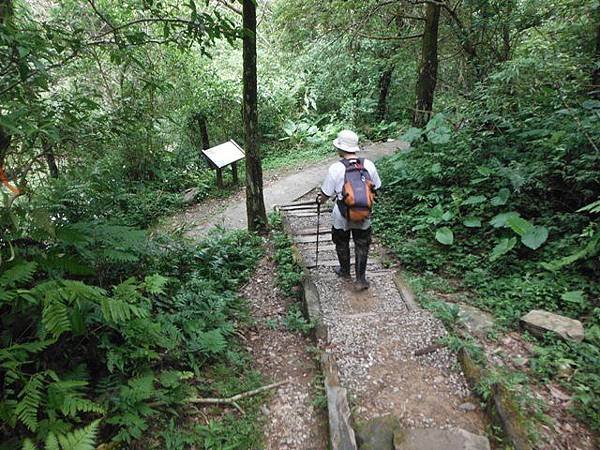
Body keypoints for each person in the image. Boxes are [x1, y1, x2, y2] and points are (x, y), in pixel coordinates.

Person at [317, 129, 381, 291]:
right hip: (363, 213)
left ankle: (345, 271)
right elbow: (377, 187)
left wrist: (320, 201)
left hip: (342, 214)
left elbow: (325, 194)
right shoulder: (368, 165)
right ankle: (360, 279)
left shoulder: (335, 168)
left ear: (340, 148)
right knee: (362, 244)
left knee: (341, 241)